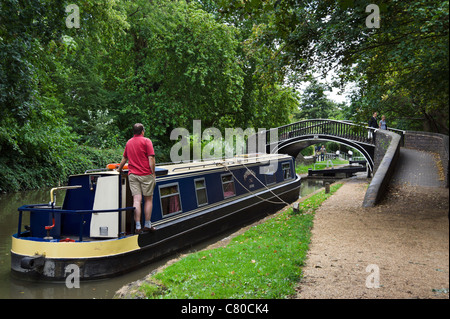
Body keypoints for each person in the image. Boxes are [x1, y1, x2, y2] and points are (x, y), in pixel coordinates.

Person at [118, 123, 156, 234]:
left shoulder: (129, 142)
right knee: (148, 199)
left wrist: (119, 169)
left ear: (133, 132)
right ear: (142, 131)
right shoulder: (146, 141)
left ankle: (138, 226)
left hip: (133, 175)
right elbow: (151, 158)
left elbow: (124, 158)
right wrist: (152, 173)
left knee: (136, 200)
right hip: (145, 174)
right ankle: (147, 224)